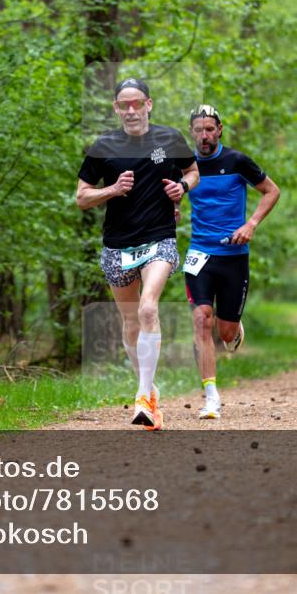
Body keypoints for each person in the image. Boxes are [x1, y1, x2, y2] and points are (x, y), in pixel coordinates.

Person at [76, 78, 200, 430]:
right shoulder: (103, 146)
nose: (131, 110)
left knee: (148, 309)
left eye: (137, 103)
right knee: (130, 324)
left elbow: (193, 171)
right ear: (116, 108)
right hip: (117, 245)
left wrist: (183, 188)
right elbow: (82, 197)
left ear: (149, 104)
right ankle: (149, 389)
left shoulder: (169, 139)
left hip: (159, 239)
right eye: (123, 105)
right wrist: (112, 190)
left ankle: (144, 398)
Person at [184, 105, 279, 419]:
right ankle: (211, 396)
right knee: (201, 319)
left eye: (210, 129)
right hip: (199, 253)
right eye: (199, 129)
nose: (204, 135)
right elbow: (169, 193)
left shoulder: (236, 161)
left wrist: (250, 224)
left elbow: (271, 191)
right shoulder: (185, 165)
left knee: (224, 334)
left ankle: (235, 328)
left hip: (233, 257)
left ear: (220, 129)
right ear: (191, 132)